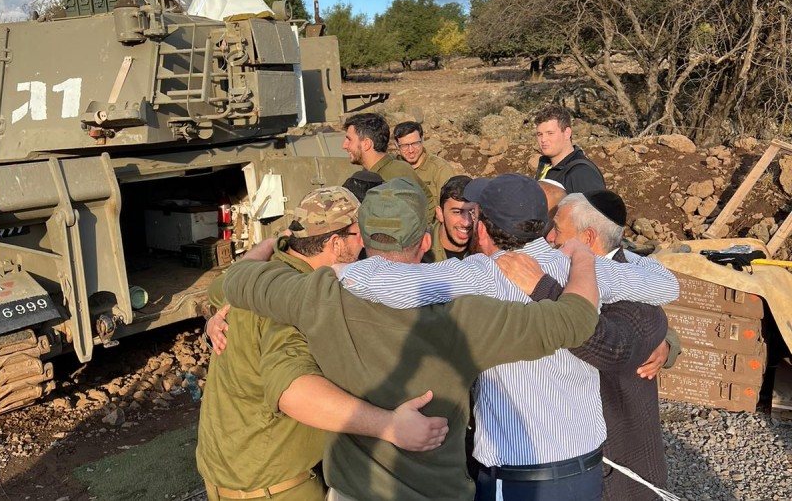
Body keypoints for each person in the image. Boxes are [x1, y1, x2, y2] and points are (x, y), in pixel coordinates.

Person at [221, 178, 603, 501]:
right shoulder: (465, 316)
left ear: (363, 240)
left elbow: (237, 281)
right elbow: (576, 321)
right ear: (424, 241)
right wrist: (582, 260)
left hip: (351, 490)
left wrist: (269, 245)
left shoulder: (317, 295)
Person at [338, 173, 679, 501]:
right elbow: (665, 283)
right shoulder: (584, 270)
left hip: (519, 474)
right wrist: (587, 256)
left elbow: (365, 281)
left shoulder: (482, 275)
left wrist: (337, 267)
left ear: (483, 229)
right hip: (586, 466)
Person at [197, 186, 448, 501]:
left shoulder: (261, 275)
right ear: (335, 243)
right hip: (276, 486)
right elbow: (294, 392)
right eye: (360, 234)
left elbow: (220, 288)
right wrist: (390, 426)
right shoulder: (294, 302)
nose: (367, 243)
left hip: (226, 473)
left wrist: (273, 242)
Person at [540, 190, 671, 500]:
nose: (548, 237)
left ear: (587, 238)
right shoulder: (584, 271)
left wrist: (537, 287)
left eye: (557, 229)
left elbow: (606, 344)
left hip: (621, 465)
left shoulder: (634, 287)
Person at [342, 113, 436, 218]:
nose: (344, 145)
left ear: (366, 144)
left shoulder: (397, 172)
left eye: (349, 139)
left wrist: (420, 232)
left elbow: (427, 204)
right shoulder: (368, 173)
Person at [533, 104, 605, 193]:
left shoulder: (582, 173)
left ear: (567, 133)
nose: (543, 140)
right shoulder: (545, 165)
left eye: (550, 133)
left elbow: (595, 206)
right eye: (540, 134)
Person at [393, 121, 456, 203]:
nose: (411, 150)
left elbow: (451, 205)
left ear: (422, 140)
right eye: (405, 146)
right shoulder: (393, 168)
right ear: (396, 145)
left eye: (415, 143)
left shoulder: (440, 169)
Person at [423, 175, 477, 263]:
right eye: (457, 212)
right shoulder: (419, 249)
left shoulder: (486, 248)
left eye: (472, 212)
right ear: (440, 214)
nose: (467, 222)